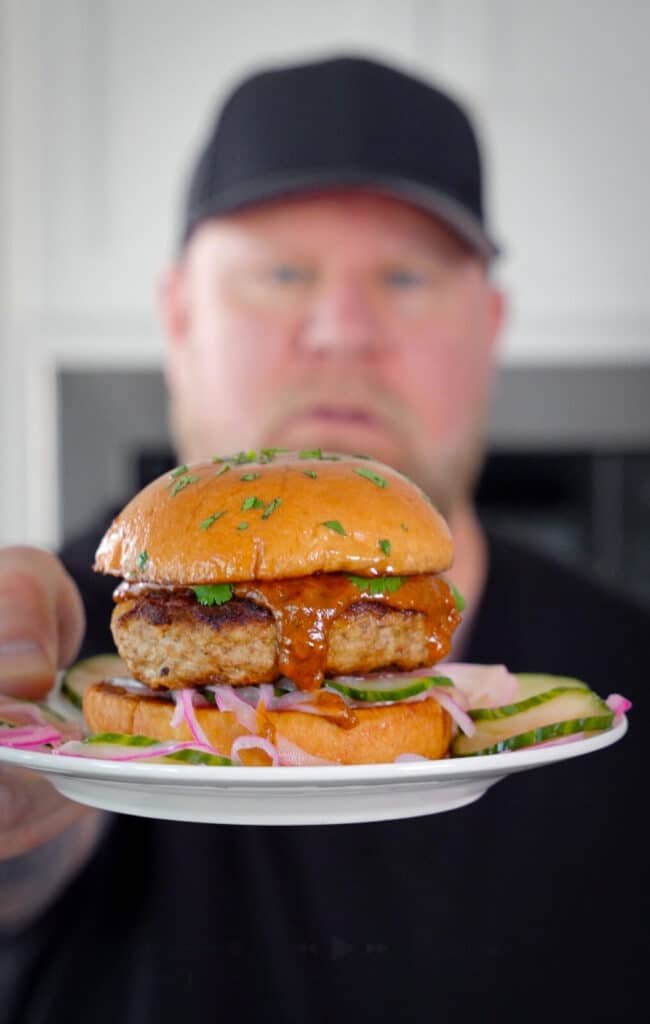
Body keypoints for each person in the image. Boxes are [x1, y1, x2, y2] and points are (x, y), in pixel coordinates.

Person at [0, 55, 646, 1023]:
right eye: (281, 272)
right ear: (178, 317)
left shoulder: (624, 656)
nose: (341, 328)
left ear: (491, 326)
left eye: (405, 275)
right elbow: (27, 864)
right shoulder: (57, 644)